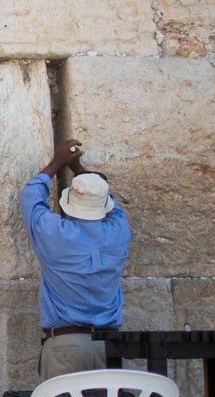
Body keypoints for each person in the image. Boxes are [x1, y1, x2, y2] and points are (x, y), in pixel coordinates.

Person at [20, 139, 131, 379]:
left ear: (69, 203)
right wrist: (80, 171)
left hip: (66, 346)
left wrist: (59, 162)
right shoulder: (118, 232)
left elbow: (30, 195)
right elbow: (106, 200)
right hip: (109, 345)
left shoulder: (55, 233)